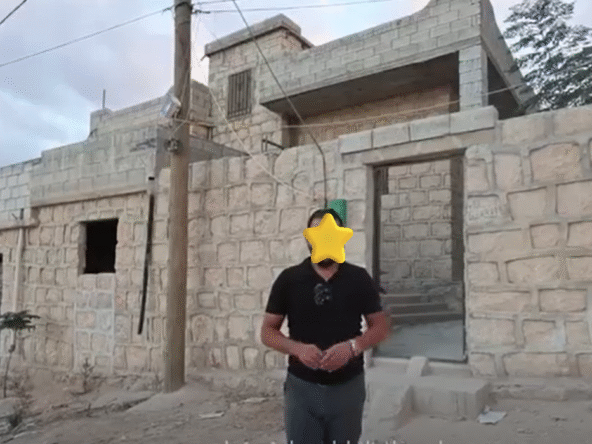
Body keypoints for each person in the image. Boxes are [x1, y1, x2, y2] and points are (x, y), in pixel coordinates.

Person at [261, 208, 390, 444]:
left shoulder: (359, 279)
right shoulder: (288, 280)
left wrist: (352, 347)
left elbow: (380, 328)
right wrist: (297, 349)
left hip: (348, 387)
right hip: (302, 389)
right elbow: (267, 331)